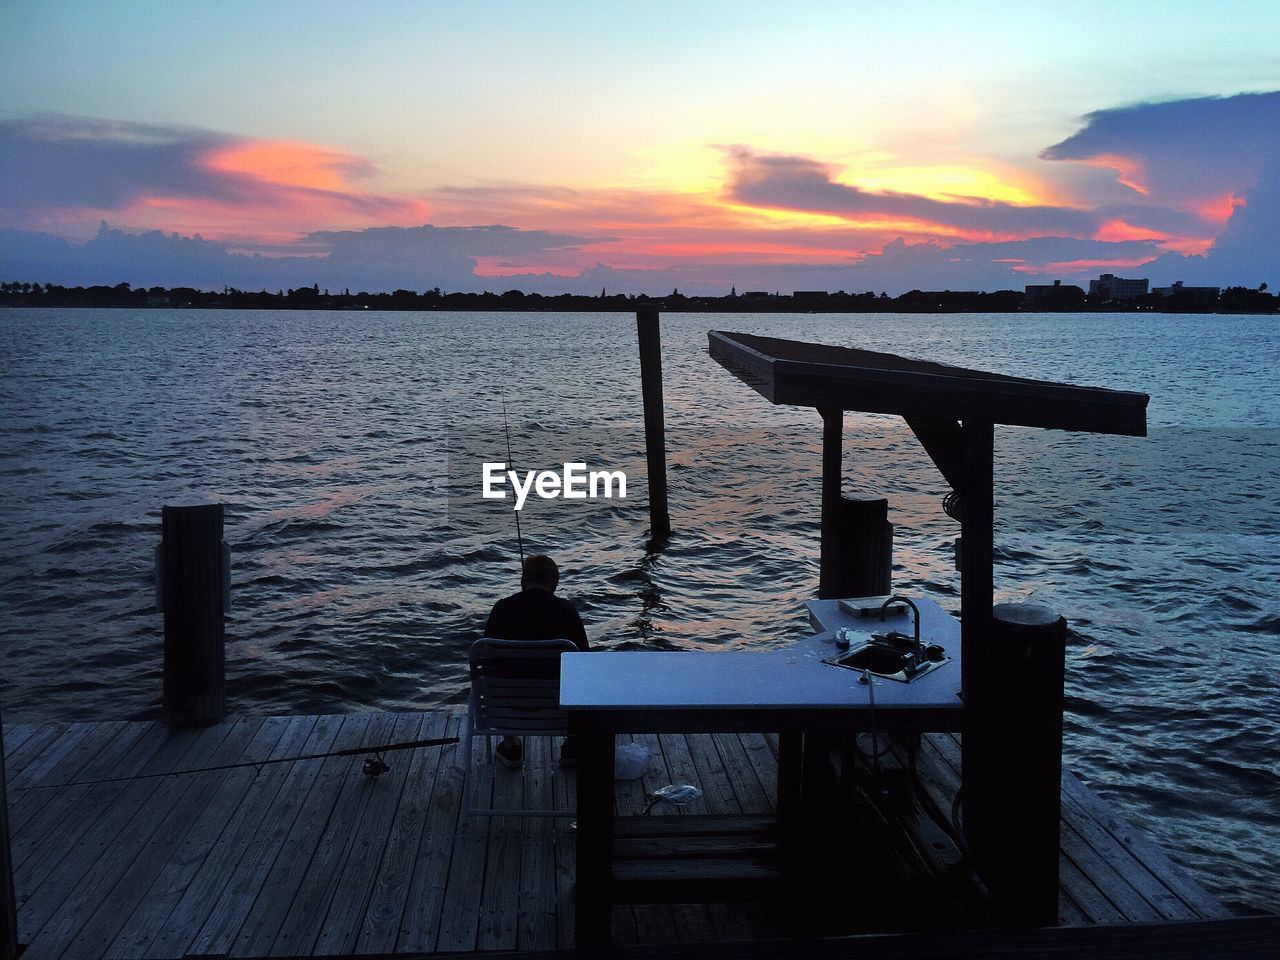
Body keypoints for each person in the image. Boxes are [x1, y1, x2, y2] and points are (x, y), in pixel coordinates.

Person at [483, 553, 589, 769]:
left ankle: (511, 746)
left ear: (524, 581)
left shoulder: (501, 609)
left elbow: (485, 660)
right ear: (554, 582)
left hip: (505, 708)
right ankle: (573, 746)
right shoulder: (567, 611)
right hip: (559, 712)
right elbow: (584, 662)